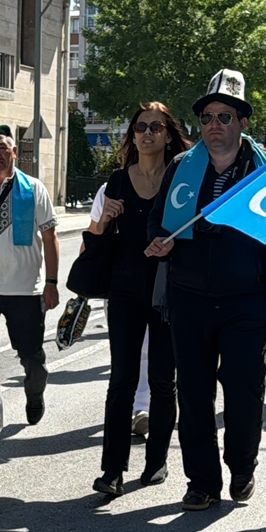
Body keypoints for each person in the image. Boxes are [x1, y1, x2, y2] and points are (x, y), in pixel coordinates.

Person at [145, 69, 266, 511]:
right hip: (188, 297)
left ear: (242, 122)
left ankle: (242, 467)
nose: (215, 124)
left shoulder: (264, 171)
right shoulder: (181, 167)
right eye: (208, 116)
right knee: (192, 393)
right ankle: (202, 481)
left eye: (225, 116)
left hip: (244, 298)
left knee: (245, 388)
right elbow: (158, 220)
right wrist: (159, 239)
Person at [90, 102, 191, 496]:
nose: (147, 133)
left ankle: (156, 462)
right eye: (140, 127)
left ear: (168, 135)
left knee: (163, 381)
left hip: (169, 292)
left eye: (155, 127)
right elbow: (94, 241)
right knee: (122, 380)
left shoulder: (181, 181)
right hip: (125, 289)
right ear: (132, 136)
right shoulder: (114, 182)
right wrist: (105, 218)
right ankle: (112, 470)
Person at [0, 126, 59, 425]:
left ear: (14, 151)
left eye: (2, 147)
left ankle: (35, 392)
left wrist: (52, 283)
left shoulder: (34, 188)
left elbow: (50, 236)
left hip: (25, 290)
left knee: (32, 357)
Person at [89, 185, 149, 437]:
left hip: (164, 282)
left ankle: (143, 407)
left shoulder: (175, 180)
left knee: (151, 350)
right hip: (120, 284)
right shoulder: (111, 188)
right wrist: (105, 218)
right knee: (126, 352)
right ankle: (136, 409)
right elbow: (93, 234)